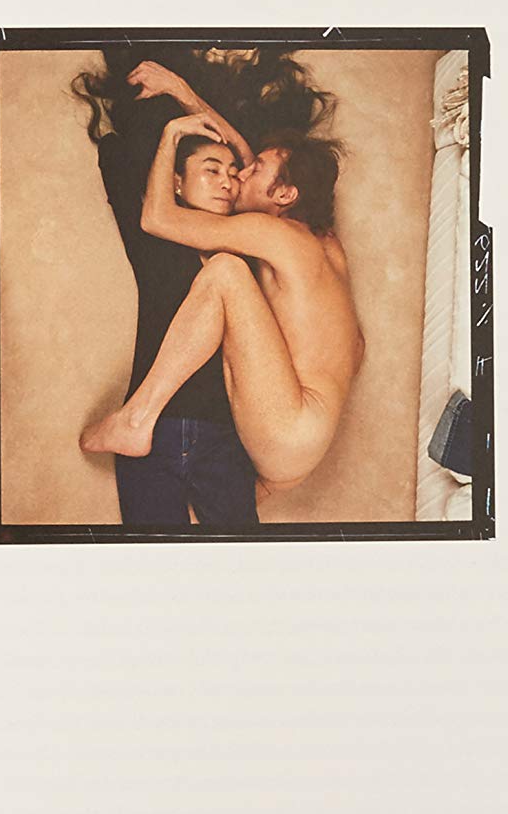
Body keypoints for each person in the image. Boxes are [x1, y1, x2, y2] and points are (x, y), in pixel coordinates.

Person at [79, 62, 363, 494]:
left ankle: (137, 419)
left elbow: (157, 218)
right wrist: (182, 91)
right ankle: (272, 479)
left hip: (286, 430)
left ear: (285, 195)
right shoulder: (327, 244)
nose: (240, 172)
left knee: (227, 273)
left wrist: (172, 134)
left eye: (255, 170)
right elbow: (357, 347)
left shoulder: (271, 232)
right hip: (307, 446)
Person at [79, 59, 265, 528]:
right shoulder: (152, 230)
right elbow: (113, 153)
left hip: (225, 437)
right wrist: (171, 134)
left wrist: (184, 93)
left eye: (230, 174)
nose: (227, 181)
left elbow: (248, 162)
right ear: (176, 182)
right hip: (152, 435)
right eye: (210, 170)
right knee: (153, 562)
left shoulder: (245, 238)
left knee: (244, 561)